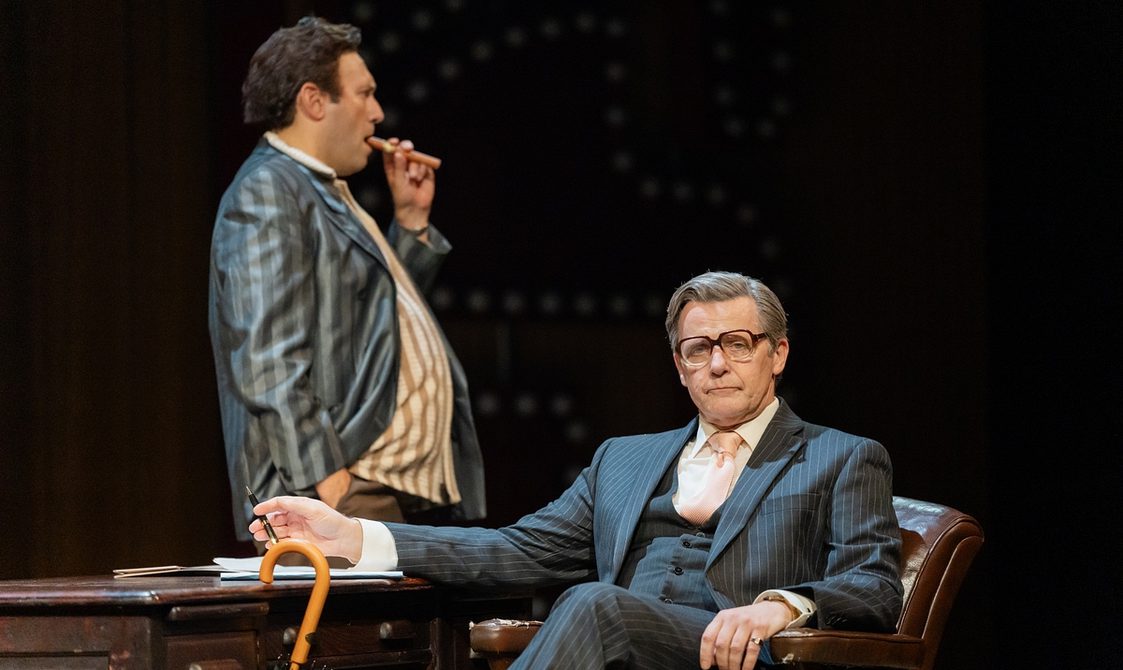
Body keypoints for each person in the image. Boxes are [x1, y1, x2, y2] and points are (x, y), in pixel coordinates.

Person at [250, 271, 903, 669]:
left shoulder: (841, 456)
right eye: (697, 348)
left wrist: (781, 608)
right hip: (615, 654)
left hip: (737, 656)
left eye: (737, 344)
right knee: (591, 610)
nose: (716, 363)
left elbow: (874, 587)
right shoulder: (625, 459)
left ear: (776, 353)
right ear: (678, 365)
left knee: (593, 605)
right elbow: (515, 550)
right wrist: (354, 538)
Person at [209, 16, 485, 544]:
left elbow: (377, 323)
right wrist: (330, 483)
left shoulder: (323, 189)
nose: (378, 113)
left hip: (376, 487)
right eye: (364, 94)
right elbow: (266, 358)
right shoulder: (270, 190)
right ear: (315, 101)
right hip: (330, 495)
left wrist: (408, 224)